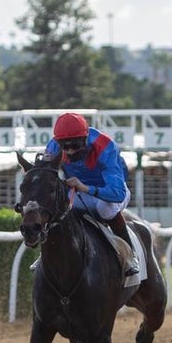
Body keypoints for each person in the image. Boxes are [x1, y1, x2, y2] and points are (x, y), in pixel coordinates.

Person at [44, 112, 139, 276]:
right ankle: (46, 255)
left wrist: (85, 188)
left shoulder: (105, 146)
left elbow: (118, 194)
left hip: (110, 192)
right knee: (58, 206)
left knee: (105, 209)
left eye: (74, 145)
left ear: (85, 138)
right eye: (65, 146)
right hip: (78, 193)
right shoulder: (53, 147)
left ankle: (130, 256)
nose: (70, 151)